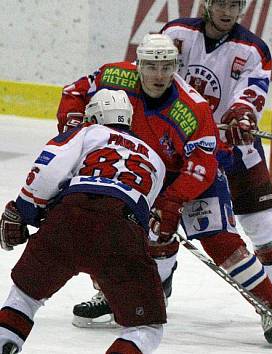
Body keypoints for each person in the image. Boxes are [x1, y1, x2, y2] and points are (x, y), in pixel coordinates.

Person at [56, 34, 272, 347]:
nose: (159, 75)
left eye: (166, 67)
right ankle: (116, 296)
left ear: (176, 67)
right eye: (152, 66)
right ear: (138, 65)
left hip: (194, 178)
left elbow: (203, 167)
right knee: (119, 229)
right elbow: (74, 91)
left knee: (222, 243)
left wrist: (172, 204)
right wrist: (72, 121)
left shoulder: (192, 106)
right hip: (144, 170)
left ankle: (271, 307)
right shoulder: (115, 75)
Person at [0, 89, 167, 354]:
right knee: (145, 329)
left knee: (24, 298)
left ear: (95, 116)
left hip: (69, 218)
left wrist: (21, 211)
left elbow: (49, 170)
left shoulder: (88, 132)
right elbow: (145, 213)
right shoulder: (156, 159)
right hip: (123, 229)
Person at [160, 0, 272, 315]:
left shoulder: (252, 48)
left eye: (234, 5)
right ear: (207, 4)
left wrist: (242, 115)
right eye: (221, 3)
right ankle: (153, 285)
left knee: (262, 224)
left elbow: (251, 91)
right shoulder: (176, 33)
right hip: (180, 148)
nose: (227, 11)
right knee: (151, 220)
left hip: (234, 146)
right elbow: (156, 78)